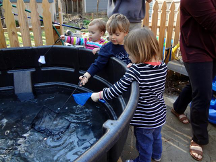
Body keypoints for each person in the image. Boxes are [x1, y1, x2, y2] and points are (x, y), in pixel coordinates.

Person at [91, 28, 167, 162]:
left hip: (144, 119)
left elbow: (116, 90)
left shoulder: (136, 71)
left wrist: (100, 95)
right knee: (156, 136)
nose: (129, 57)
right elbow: (148, 75)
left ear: (138, 53)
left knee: (144, 144)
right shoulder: (162, 66)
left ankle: (143, 160)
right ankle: (157, 155)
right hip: (159, 113)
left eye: (130, 54)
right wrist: (137, 65)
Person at [171, 0, 216, 161]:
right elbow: (213, 22)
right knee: (203, 94)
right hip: (196, 49)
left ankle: (177, 108)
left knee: (198, 85)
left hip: (213, 48)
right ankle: (199, 138)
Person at [79, 13, 131, 86]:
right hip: (115, 82)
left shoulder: (131, 46)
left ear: (125, 33)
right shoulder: (107, 48)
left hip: (129, 81)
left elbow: (139, 60)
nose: (113, 37)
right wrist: (86, 76)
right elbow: (97, 64)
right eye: (110, 34)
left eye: (117, 34)